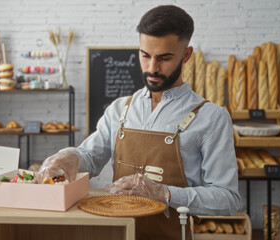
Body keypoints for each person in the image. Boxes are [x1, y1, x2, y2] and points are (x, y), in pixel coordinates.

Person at [39, 5, 240, 240]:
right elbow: (90, 157)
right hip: (116, 233)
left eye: (164, 58)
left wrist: (163, 193)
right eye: (145, 56)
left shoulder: (212, 118)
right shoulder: (119, 109)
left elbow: (228, 199)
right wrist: (71, 156)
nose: (152, 68)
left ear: (186, 55)